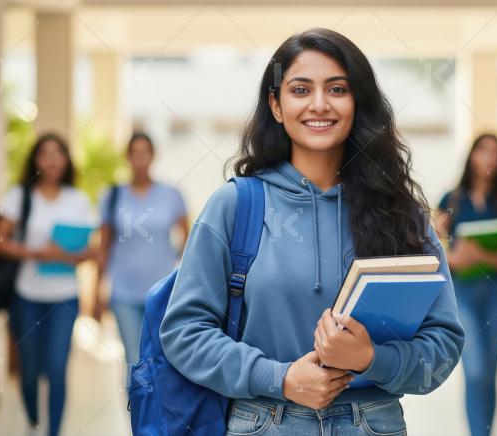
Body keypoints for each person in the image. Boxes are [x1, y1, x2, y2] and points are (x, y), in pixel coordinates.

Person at [159, 28, 465, 434]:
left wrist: (372, 357)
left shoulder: (401, 213)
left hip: (373, 423)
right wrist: (279, 378)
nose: (319, 104)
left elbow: (442, 346)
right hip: (265, 421)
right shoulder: (236, 206)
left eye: (337, 89)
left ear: (358, 101)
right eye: (300, 90)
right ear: (276, 105)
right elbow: (184, 332)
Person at [0, 133, 96, 436]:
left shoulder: (78, 200)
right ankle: (33, 415)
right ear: (35, 160)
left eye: (59, 153)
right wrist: (36, 252)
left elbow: (91, 252)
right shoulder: (20, 196)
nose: (52, 159)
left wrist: (66, 253)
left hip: (65, 297)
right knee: (29, 368)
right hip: (26, 296)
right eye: (45, 153)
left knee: (57, 366)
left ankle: (53, 432)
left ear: (67, 160)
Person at [435, 133, 497, 436]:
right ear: (471, 155)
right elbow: (432, 248)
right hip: (463, 295)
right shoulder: (452, 200)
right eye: (483, 150)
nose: (489, 157)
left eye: (495, 152)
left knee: (490, 374)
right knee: (475, 371)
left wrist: (482, 255)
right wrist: (456, 258)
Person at [93, 132, 189, 371]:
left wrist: (175, 262)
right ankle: (135, 409)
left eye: (145, 153)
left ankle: (156, 409)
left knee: (161, 361)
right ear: (127, 157)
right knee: (135, 361)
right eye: (135, 154)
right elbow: (103, 246)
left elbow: (189, 241)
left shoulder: (171, 194)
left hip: (162, 295)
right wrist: (97, 290)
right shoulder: (113, 196)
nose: (140, 159)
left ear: (153, 156)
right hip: (123, 293)